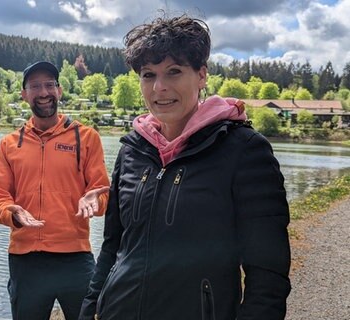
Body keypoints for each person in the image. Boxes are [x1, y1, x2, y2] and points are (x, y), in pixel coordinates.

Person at [79, 13, 291, 320]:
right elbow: (113, 246)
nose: (159, 88)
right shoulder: (133, 150)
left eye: (174, 72)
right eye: (148, 75)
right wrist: (89, 309)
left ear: (202, 75)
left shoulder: (244, 151)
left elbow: (268, 275)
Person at [0, 61, 110, 320]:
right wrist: (13, 213)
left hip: (75, 257)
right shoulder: (9, 144)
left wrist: (95, 201)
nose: (43, 92)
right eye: (35, 86)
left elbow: (103, 194)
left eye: (49, 85)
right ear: (24, 95)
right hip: (26, 259)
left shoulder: (86, 138)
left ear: (60, 90)